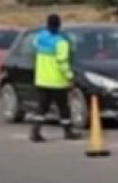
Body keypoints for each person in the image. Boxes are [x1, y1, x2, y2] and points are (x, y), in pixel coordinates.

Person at [30, 14, 81, 142]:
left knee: (41, 107)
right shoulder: (61, 42)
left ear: (47, 24)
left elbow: (34, 44)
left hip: (41, 80)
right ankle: (68, 132)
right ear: (59, 25)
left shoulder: (40, 38)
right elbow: (63, 62)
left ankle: (35, 132)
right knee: (63, 107)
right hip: (57, 81)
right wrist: (70, 76)